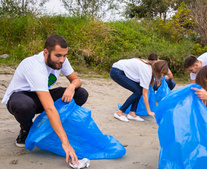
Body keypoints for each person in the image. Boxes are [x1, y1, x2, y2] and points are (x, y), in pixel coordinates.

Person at [2, 35, 89, 165]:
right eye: (58, 55)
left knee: (80, 93)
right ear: (46, 52)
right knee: (24, 105)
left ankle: (51, 126)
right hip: (20, 97)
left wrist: (72, 86)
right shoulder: (34, 66)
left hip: (42, 95)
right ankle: (26, 128)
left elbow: (76, 80)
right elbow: (49, 108)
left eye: (65, 55)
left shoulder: (62, 61)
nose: (62, 59)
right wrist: (65, 143)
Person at [110, 58, 169, 122]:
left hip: (119, 70)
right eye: (161, 73)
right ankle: (119, 112)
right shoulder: (147, 71)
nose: (161, 75)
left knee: (138, 90)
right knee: (138, 91)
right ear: (158, 70)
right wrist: (149, 111)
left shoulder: (149, 66)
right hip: (117, 71)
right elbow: (145, 95)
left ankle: (132, 113)